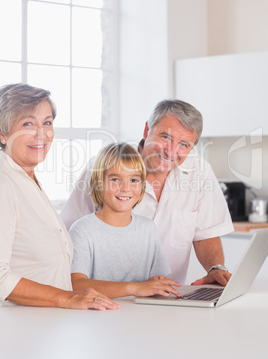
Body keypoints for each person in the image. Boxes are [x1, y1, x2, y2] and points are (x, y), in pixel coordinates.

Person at [61, 100, 234, 286]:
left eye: (184, 144)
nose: (171, 151)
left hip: (164, 295)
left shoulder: (200, 172)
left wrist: (216, 268)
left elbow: (206, 234)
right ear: (147, 130)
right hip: (102, 295)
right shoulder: (103, 167)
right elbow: (67, 236)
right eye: (165, 137)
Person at [0, 83, 119, 311]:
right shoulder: (4, 183)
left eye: (47, 123)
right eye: (28, 124)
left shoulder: (27, 178)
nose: (41, 134)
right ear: (2, 134)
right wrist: (67, 298)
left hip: (47, 327)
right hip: (17, 332)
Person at [69, 142, 181, 298]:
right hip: (98, 316)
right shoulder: (83, 230)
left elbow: (154, 279)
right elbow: (76, 284)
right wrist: (134, 288)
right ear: (98, 183)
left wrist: (159, 282)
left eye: (134, 180)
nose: (125, 188)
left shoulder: (148, 228)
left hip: (139, 315)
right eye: (115, 179)